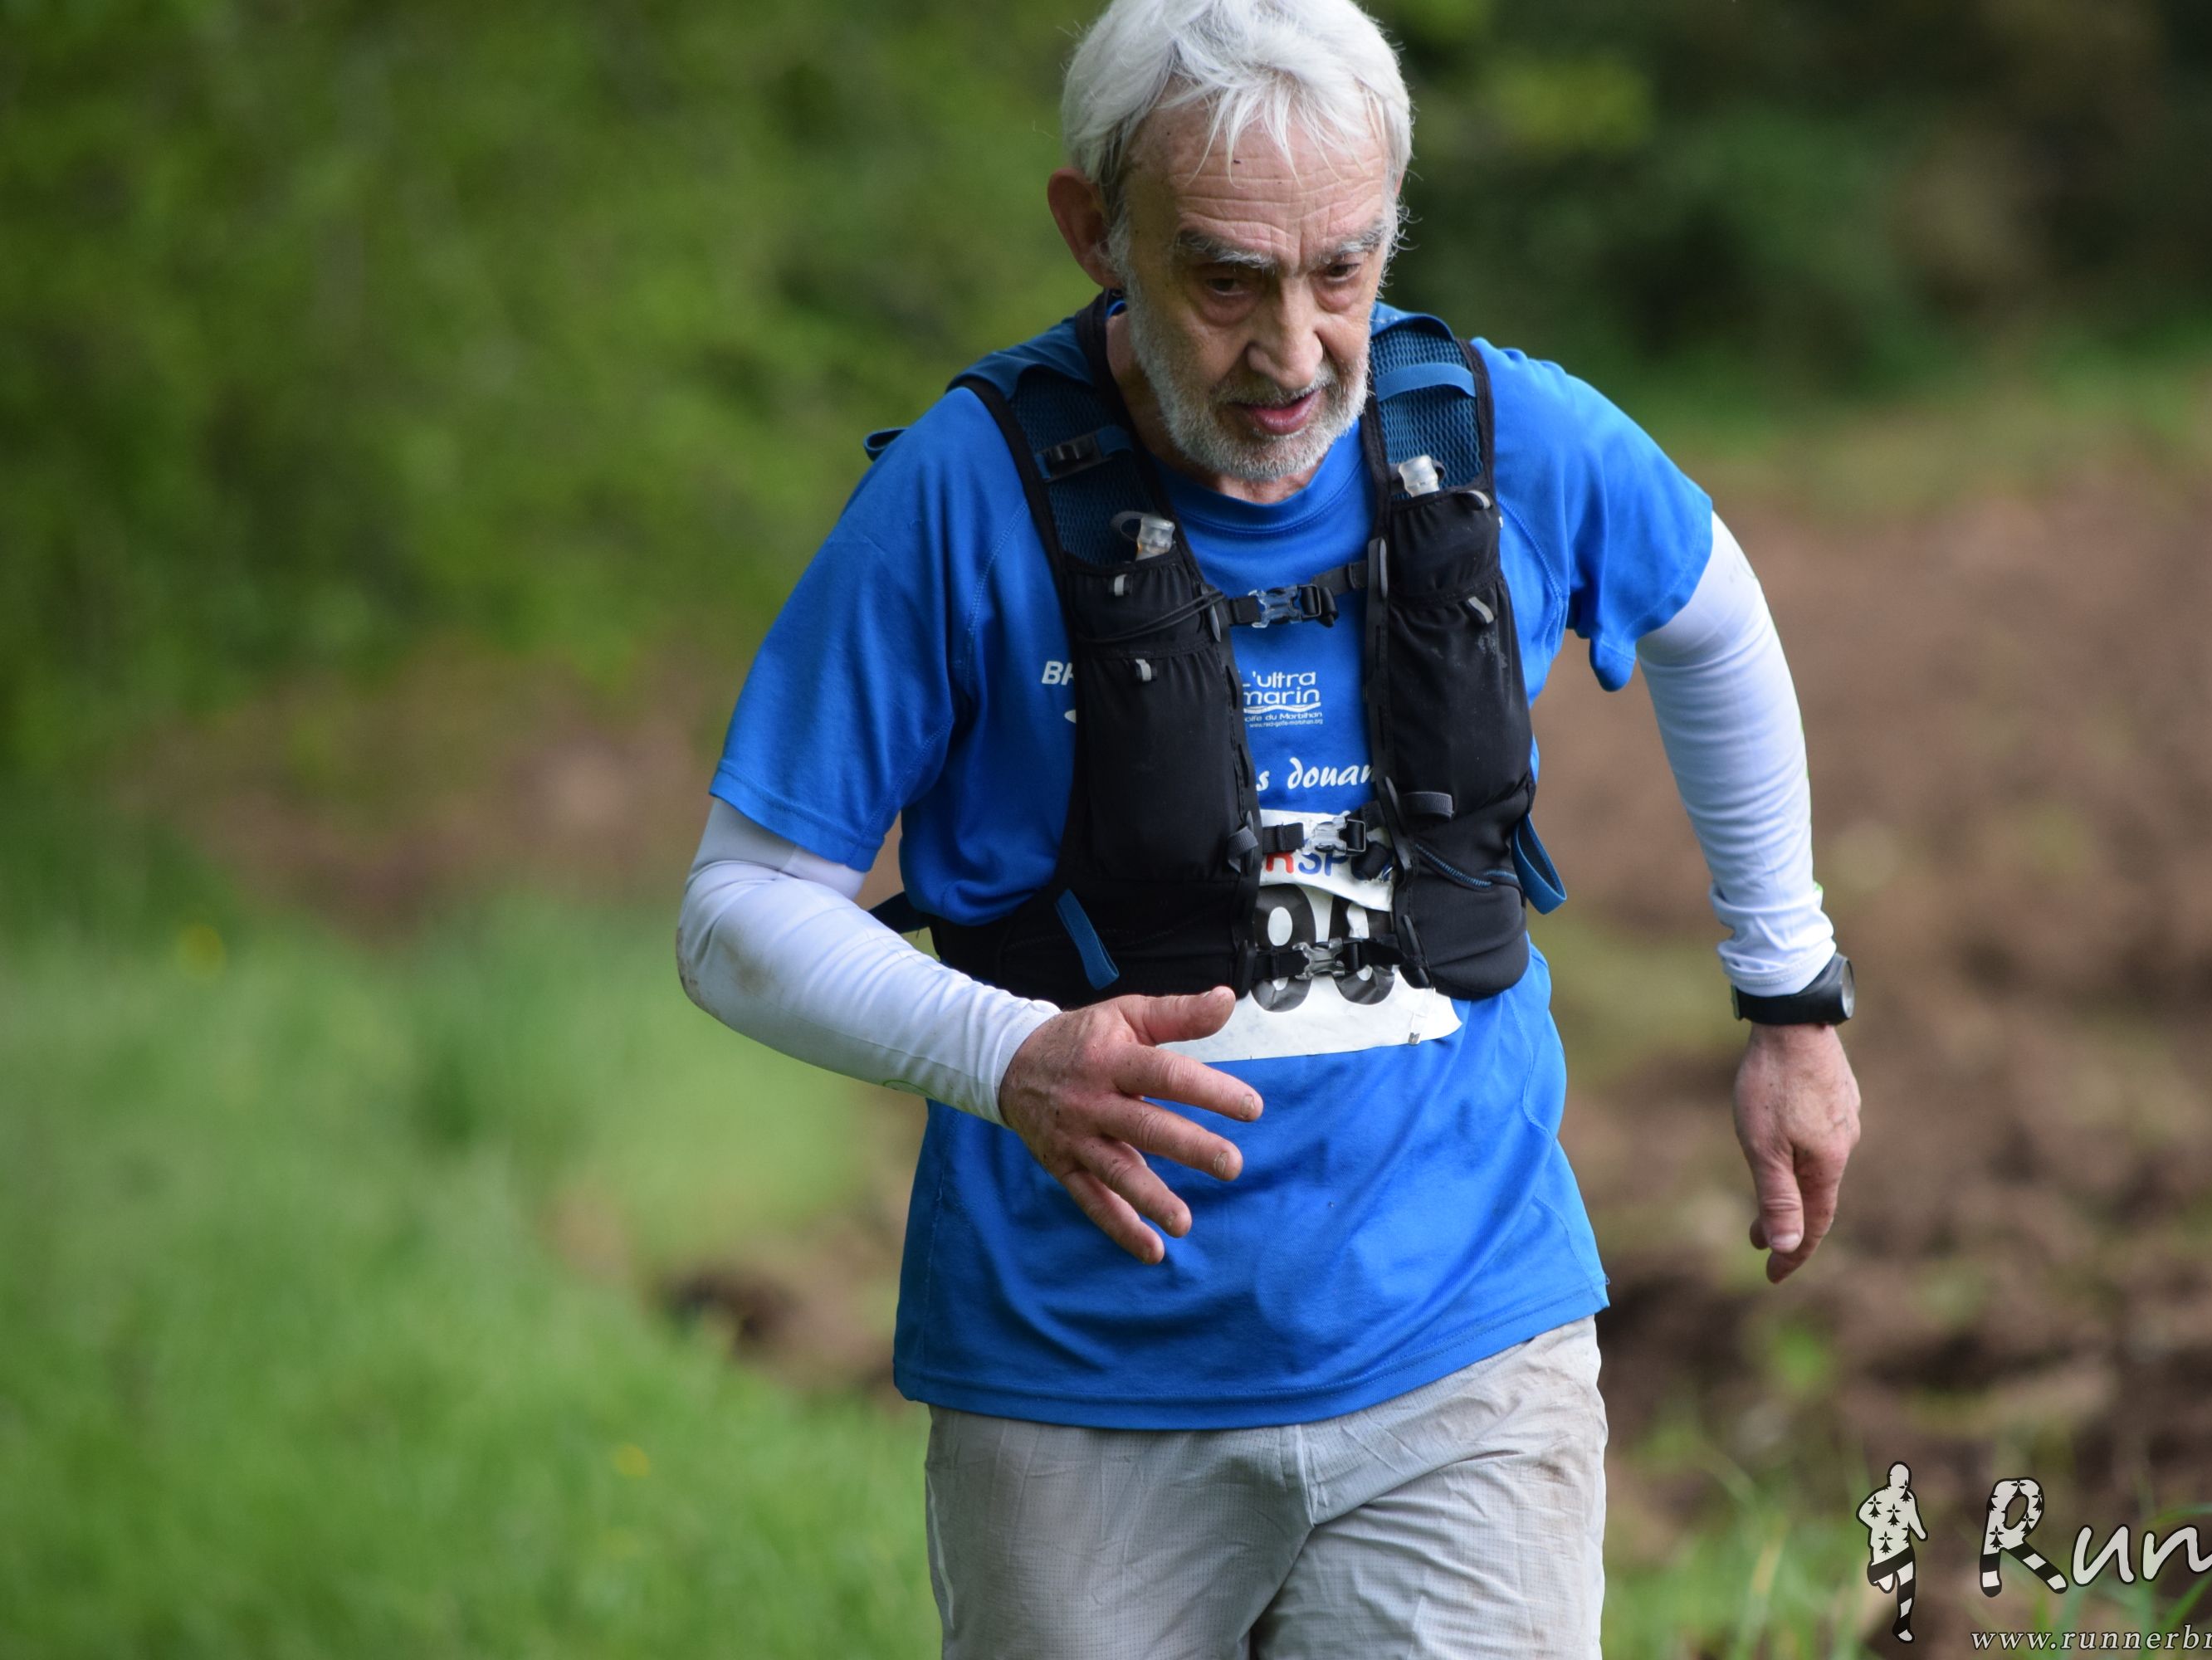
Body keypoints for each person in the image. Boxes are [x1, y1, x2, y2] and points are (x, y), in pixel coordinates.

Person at [676, 0, 1863, 1650]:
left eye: (1342, 272)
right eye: (1225, 281)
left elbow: (1711, 620)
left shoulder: (1502, 436)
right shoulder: (961, 495)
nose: (1295, 354)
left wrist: (1789, 994)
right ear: (1094, 231)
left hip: (1465, 1342)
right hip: (1077, 1383)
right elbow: (736, 910)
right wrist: (1004, 1057)